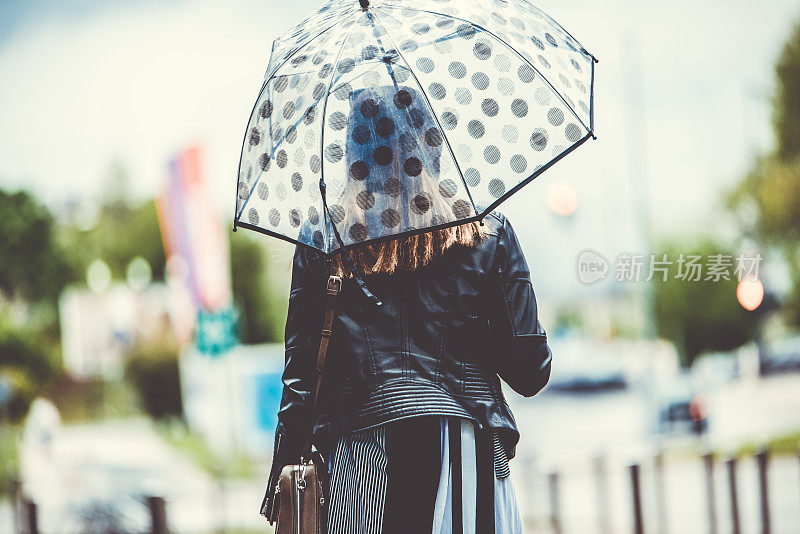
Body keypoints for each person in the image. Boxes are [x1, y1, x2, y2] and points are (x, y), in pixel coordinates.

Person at [263, 86, 553, 534]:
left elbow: (301, 381)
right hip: (465, 451)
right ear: (433, 145)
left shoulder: (325, 241)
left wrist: (282, 488)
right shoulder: (485, 232)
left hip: (361, 460)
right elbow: (530, 372)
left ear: (351, 152)